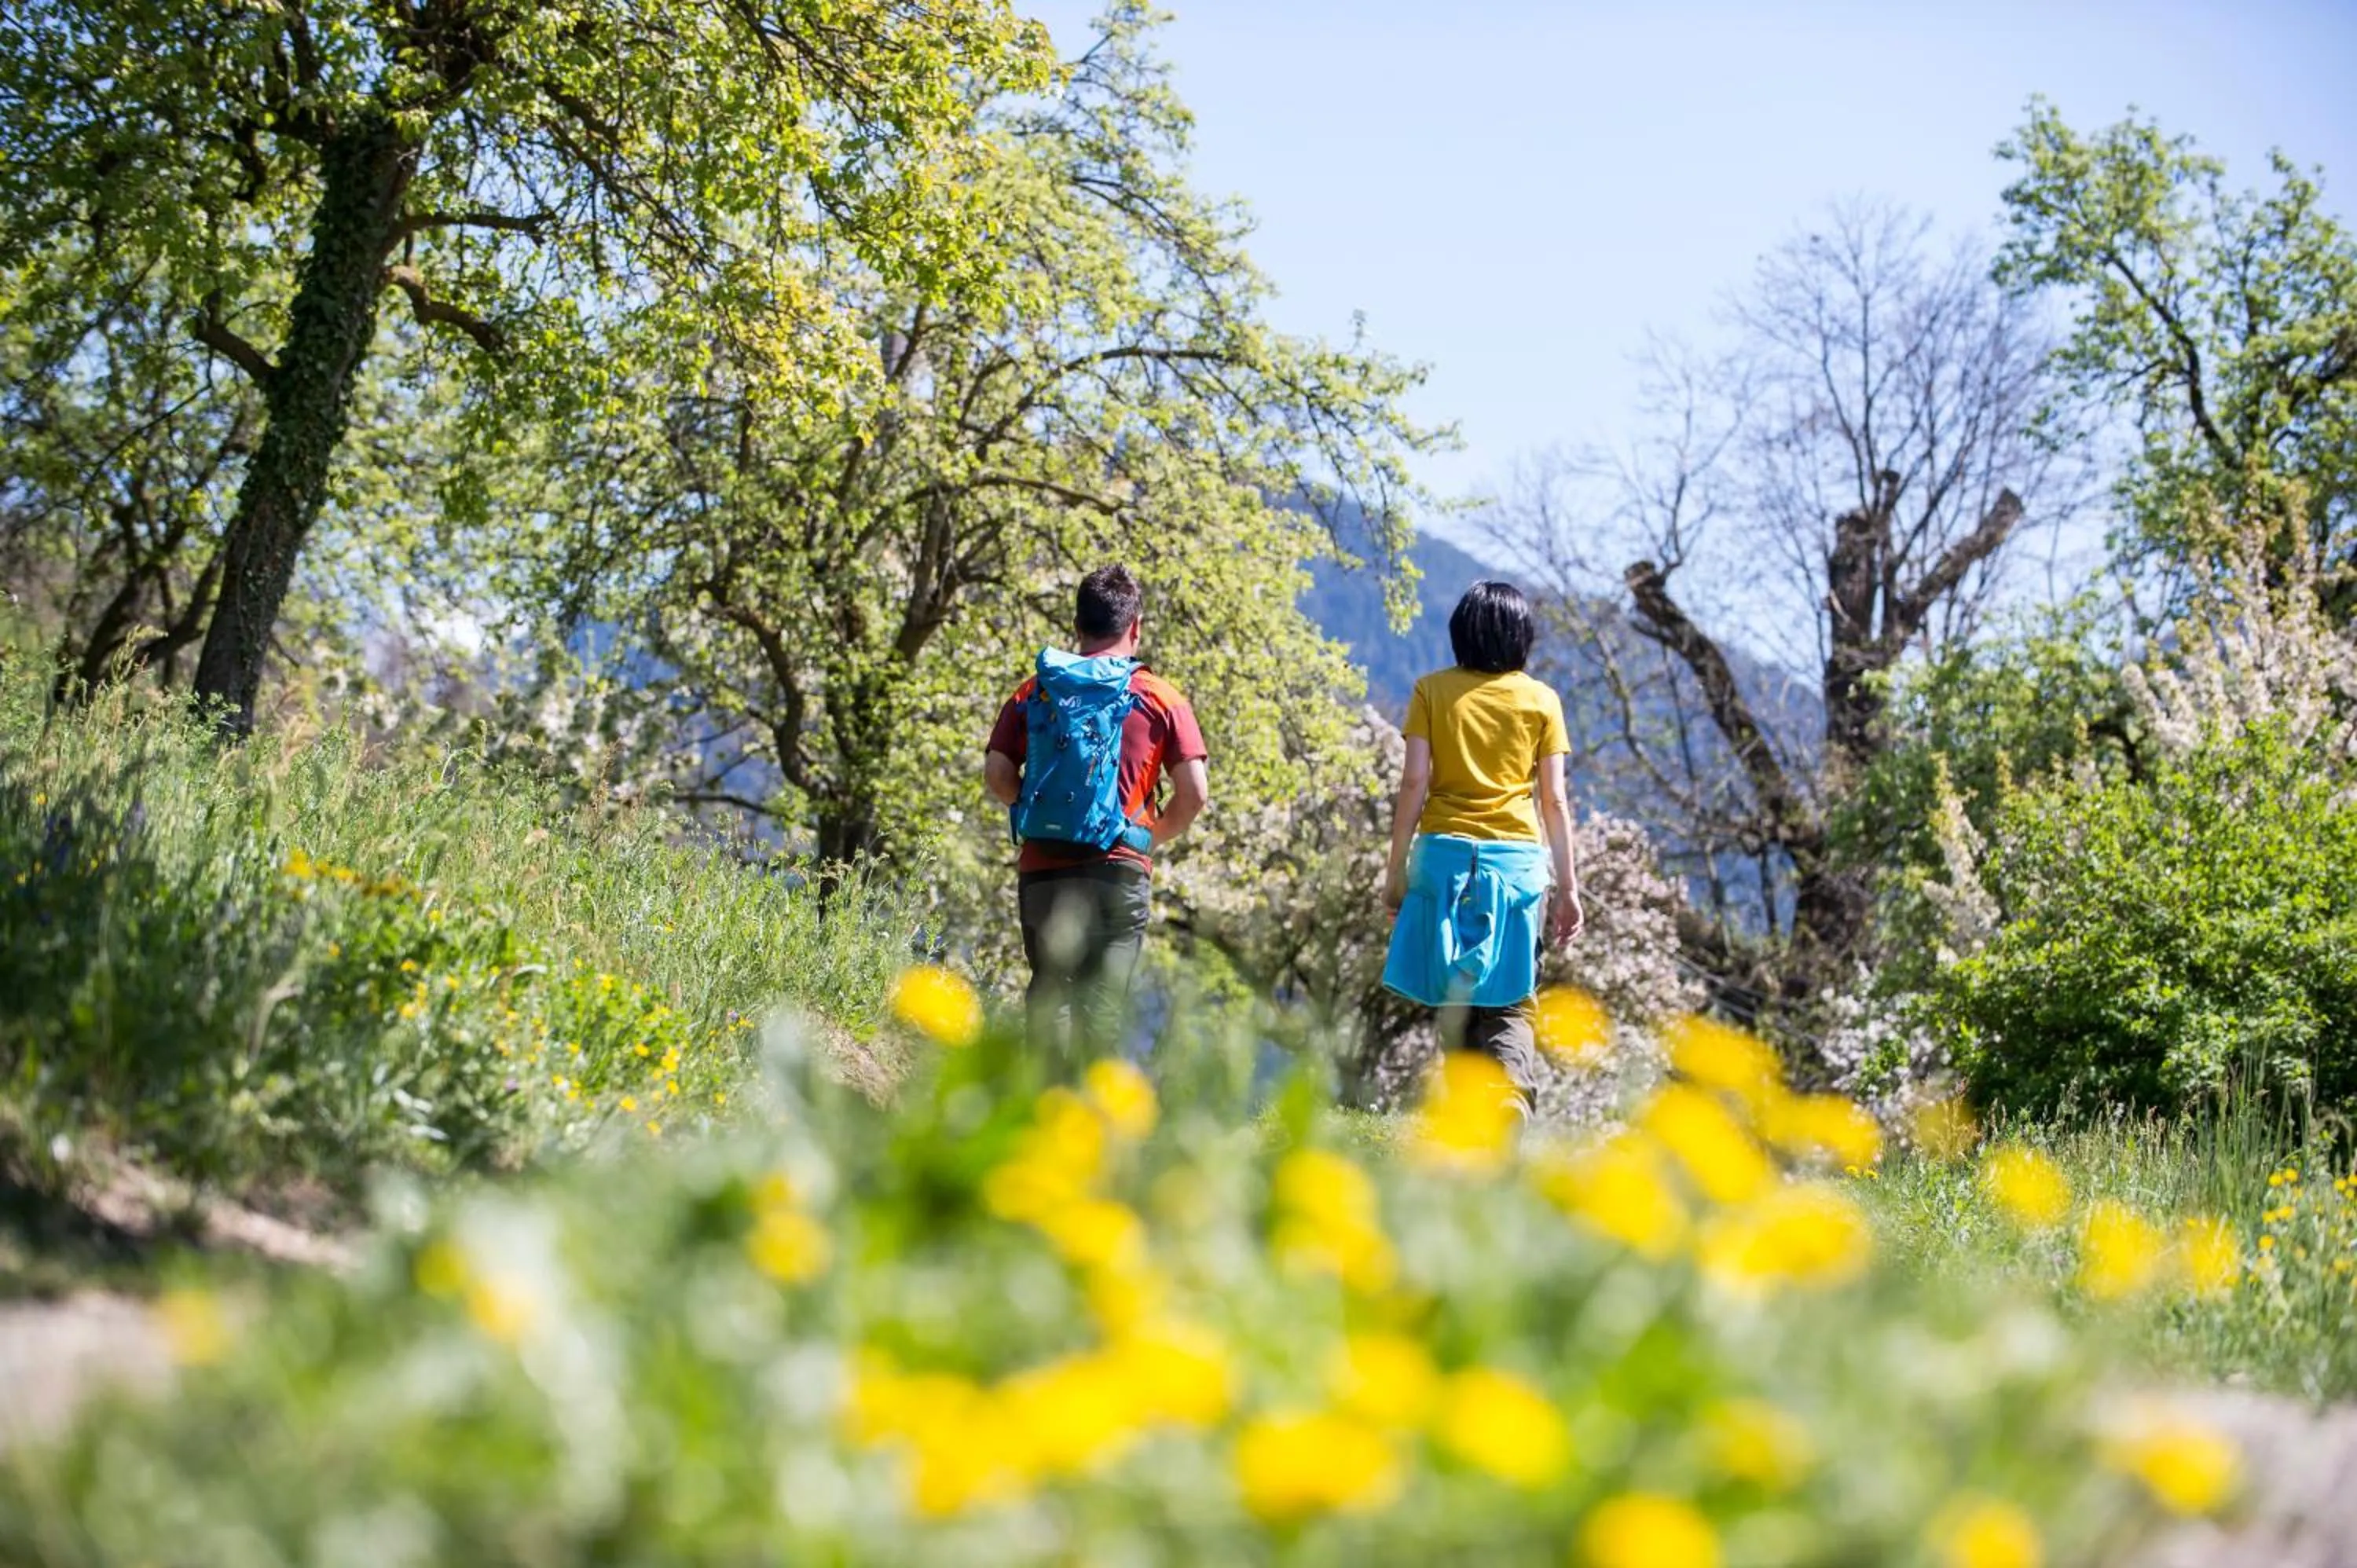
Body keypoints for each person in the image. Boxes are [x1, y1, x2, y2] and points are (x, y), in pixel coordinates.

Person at [985, 566, 1209, 1051]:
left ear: (1077, 625)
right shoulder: (1161, 698)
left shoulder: (1034, 690)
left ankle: (1036, 1115)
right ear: (1136, 627)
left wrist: (1034, 810)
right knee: (1101, 1010)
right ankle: (1088, 1116)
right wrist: (1150, 836)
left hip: (1044, 865)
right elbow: (1194, 792)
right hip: (1118, 868)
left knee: (1049, 995)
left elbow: (998, 776)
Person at [1380, 580, 1584, 1100]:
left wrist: (1395, 869)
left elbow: (1414, 782)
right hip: (1514, 866)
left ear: (1461, 632)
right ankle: (1510, 1097)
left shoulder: (1431, 690)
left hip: (1442, 858)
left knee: (1456, 997)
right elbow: (1554, 801)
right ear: (1522, 636)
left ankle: (1469, 1118)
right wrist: (1569, 890)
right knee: (1511, 1000)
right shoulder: (1541, 700)